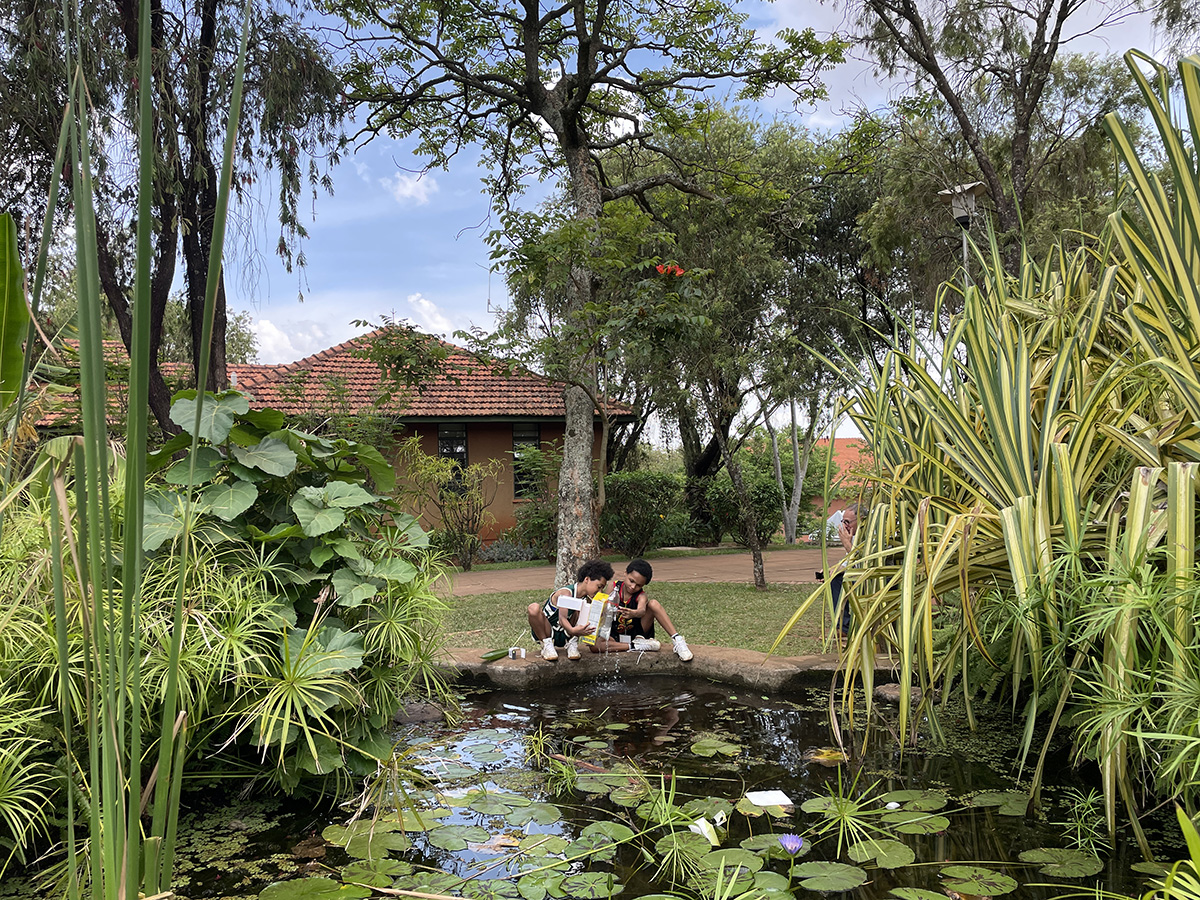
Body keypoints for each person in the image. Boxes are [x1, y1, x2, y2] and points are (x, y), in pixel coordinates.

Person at [588, 558, 693, 661]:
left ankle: (677, 640)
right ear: (625, 573)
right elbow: (603, 607)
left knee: (653, 604)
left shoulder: (641, 596)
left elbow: (642, 610)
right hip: (614, 633)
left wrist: (634, 613)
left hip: (637, 633)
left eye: (638, 585)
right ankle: (634, 646)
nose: (633, 587)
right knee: (594, 646)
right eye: (631, 581)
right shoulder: (614, 587)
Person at [528, 559, 614, 661]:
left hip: (566, 635)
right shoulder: (566, 593)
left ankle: (572, 643)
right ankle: (546, 644)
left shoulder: (586, 598)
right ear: (587, 579)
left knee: (585, 607)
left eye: (602, 588)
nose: (599, 591)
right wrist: (573, 630)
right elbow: (562, 619)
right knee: (533, 608)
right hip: (549, 630)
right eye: (599, 587)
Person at [829, 504, 859, 642]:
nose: (845, 525)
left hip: (874, 578)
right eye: (843, 521)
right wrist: (833, 569)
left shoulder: (872, 535)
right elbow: (848, 562)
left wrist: (847, 545)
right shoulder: (852, 536)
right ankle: (842, 627)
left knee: (844, 580)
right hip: (857, 574)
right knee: (835, 579)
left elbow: (863, 563)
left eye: (848, 522)